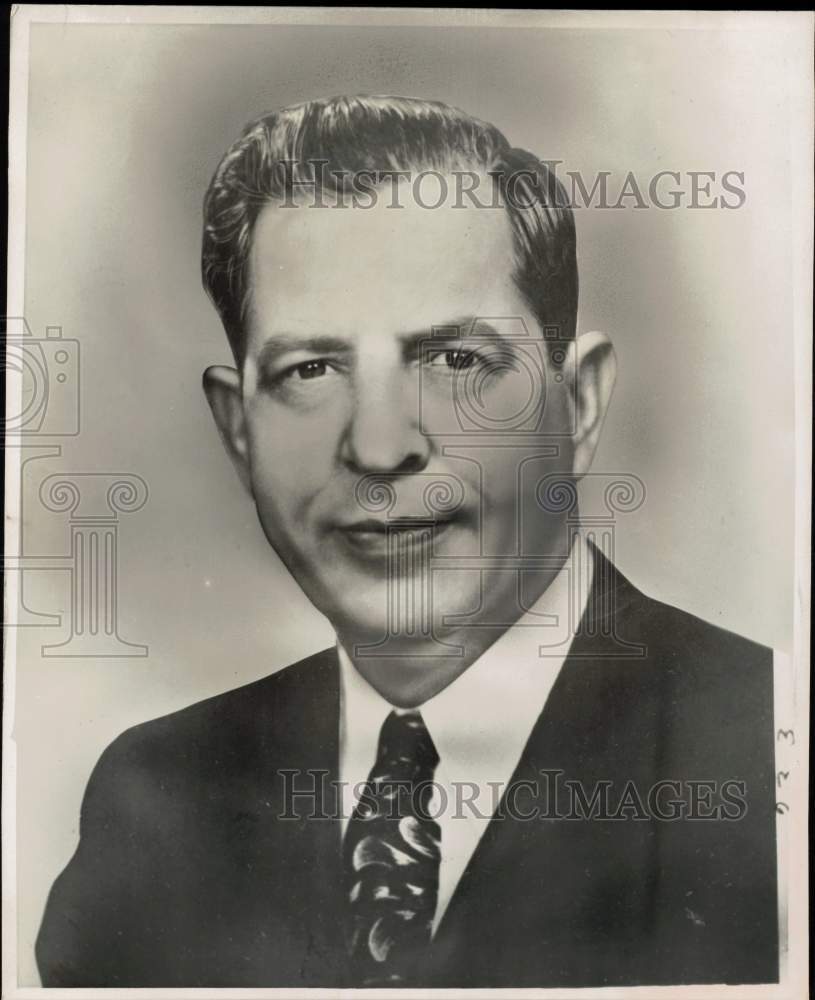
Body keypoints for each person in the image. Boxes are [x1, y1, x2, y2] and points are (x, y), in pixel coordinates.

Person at [36, 95, 778, 988]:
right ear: (238, 429)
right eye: (311, 369)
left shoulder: (770, 752)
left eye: (454, 360)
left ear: (577, 404)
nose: (380, 446)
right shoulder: (156, 799)